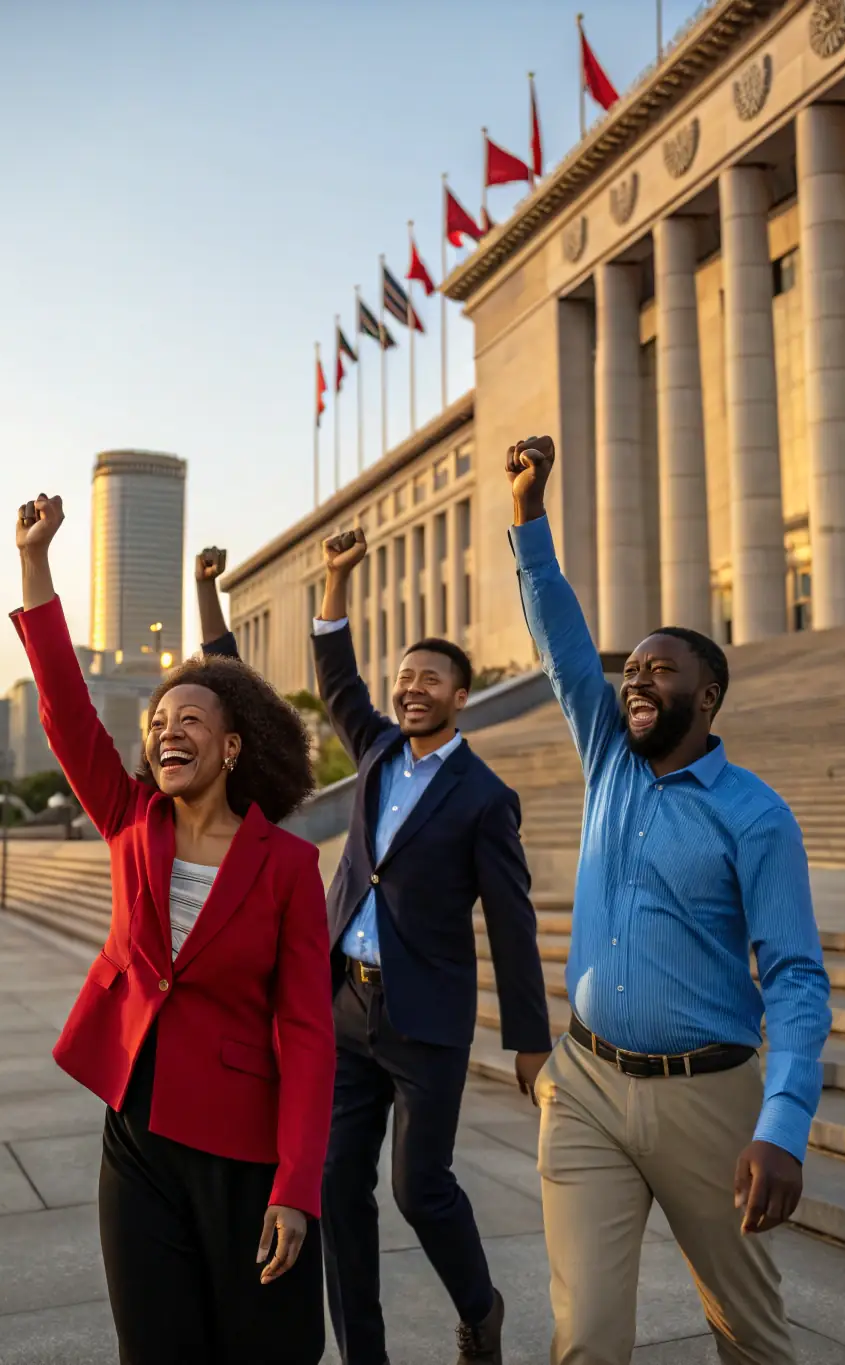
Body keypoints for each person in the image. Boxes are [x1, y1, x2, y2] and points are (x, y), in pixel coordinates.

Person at [503, 438, 832, 1365]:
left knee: (753, 1339)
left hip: (711, 1097)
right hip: (587, 1089)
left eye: (660, 670)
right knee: (588, 1338)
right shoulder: (608, 758)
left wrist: (782, 1123)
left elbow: (799, 979)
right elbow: (563, 640)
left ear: (709, 695)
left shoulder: (755, 816)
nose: (636, 680)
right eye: (633, 670)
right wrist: (529, 512)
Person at [11, 495, 335, 1365]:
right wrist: (36, 565)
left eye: (190, 718)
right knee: (154, 1346)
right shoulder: (130, 819)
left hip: (243, 1146)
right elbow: (68, 712)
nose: (166, 730)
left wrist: (297, 1185)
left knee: (262, 1346)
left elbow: (307, 1032)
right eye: (158, 722)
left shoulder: (289, 868)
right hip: (138, 1130)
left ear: (234, 747)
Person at [308, 527, 551, 1365]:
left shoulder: (486, 798)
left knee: (420, 1187)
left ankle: (480, 1308)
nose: (411, 689)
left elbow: (512, 923)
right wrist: (338, 579)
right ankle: (363, 1355)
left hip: (426, 1023)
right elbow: (337, 677)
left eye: (429, 679)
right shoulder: (376, 752)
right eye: (405, 677)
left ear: (460, 694)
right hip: (345, 1004)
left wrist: (528, 1039)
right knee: (338, 1184)